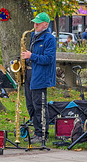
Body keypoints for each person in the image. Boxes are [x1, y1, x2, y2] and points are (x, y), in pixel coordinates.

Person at [22, 12, 57, 144]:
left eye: (38, 23)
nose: (35, 25)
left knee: (40, 106)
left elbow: (48, 59)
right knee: (30, 105)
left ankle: (42, 134)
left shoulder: (49, 39)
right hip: (30, 74)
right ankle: (36, 131)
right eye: (35, 22)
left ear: (45, 25)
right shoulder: (34, 36)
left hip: (41, 76)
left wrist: (31, 56)